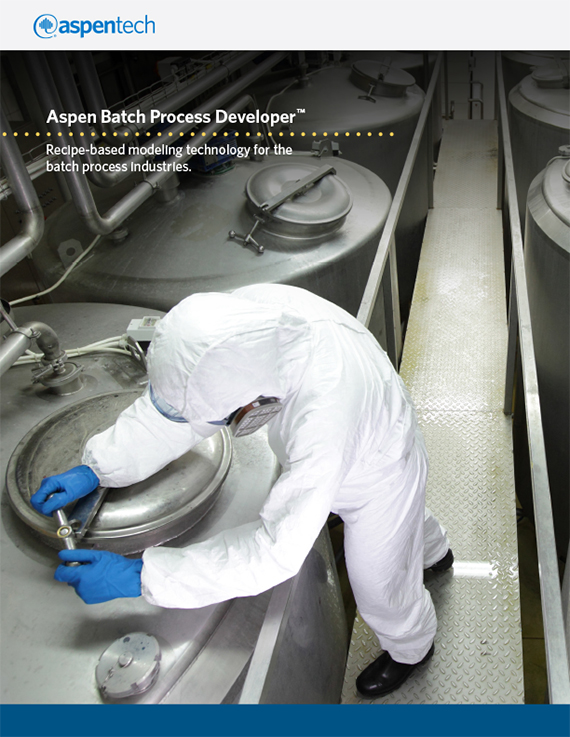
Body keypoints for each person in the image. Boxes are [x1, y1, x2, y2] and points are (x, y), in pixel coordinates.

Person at [31, 283, 452, 698]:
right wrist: (100, 467)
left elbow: (275, 552)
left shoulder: (324, 419)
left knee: (379, 577)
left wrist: (144, 575)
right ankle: (437, 554)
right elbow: (186, 408)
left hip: (380, 466)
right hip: (360, 422)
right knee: (402, 523)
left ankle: (411, 646)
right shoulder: (241, 326)